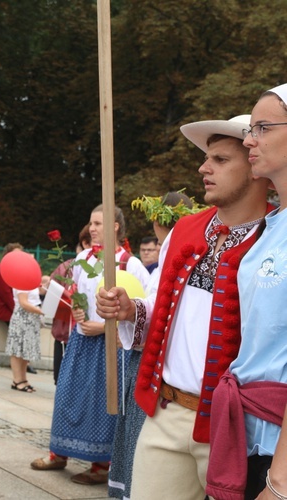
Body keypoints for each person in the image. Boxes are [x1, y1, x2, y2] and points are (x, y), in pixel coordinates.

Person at [96, 114, 271, 499]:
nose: (203, 167)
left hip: (238, 426)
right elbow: (165, 309)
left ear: (257, 167)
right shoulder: (185, 229)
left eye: (221, 160)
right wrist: (130, 311)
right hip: (166, 412)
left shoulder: (277, 239)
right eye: (207, 158)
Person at [206, 83, 287, 500]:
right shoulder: (270, 229)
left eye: (262, 127)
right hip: (247, 436)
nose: (250, 139)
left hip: (278, 453)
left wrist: (281, 480)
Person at [32, 204, 149, 485]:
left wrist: (103, 326)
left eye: (98, 223)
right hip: (81, 340)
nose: (92, 228)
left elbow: (143, 307)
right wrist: (77, 312)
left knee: (101, 404)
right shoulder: (84, 257)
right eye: (91, 223)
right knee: (66, 397)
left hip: (110, 345)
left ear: (116, 227)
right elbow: (76, 295)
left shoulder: (130, 265)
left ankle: (101, 465)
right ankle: (58, 453)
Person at [107, 191, 196, 500]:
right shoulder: (170, 255)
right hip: (153, 370)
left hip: (180, 383)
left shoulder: (178, 249)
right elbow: (160, 306)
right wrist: (131, 310)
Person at [49, 224, 91, 384]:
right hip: (64, 332)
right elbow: (52, 295)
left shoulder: (104, 268)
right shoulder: (66, 267)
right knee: (61, 381)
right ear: (85, 244)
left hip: (89, 333)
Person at [5, 279, 43, 393]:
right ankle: (17, 380)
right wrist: (41, 311)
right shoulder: (22, 281)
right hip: (22, 317)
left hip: (31, 317)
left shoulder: (31, 282)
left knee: (25, 350)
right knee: (17, 349)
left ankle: (23, 378)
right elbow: (23, 302)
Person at [0, 243, 23, 325]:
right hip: (1, 306)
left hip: (11, 305)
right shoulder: (1, 268)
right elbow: (5, 293)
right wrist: (16, 310)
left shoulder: (16, 269)